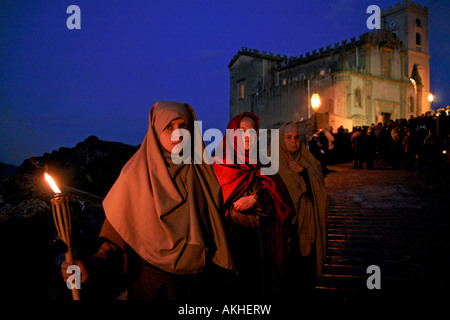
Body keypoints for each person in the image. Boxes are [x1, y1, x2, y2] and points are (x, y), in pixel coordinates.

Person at [61, 101, 234, 300]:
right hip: (153, 288)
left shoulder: (201, 174)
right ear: (155, 131)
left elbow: (215, 232)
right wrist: (90, 267)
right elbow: (115, 239)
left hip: (199, 287)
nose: (178, 134)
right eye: (169, 127)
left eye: (184, 126)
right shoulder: (136, 177)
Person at [212, 112, 294, 300]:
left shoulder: (262, 162)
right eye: (242, 131)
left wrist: (256, 198)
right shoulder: (220, 163)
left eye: (252, 131)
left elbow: (278, 197)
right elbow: (211, 203)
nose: (248, 136)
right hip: (229, 241)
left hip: (260, 243)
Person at [275, 122, 328, 298]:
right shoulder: (271, 162)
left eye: (297, 137)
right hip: (283, 230)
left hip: (306, 227)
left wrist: (304, 173)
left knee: (304, 277)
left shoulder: (308, 162)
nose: (294, 141)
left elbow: (319, 188)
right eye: (288, 138)